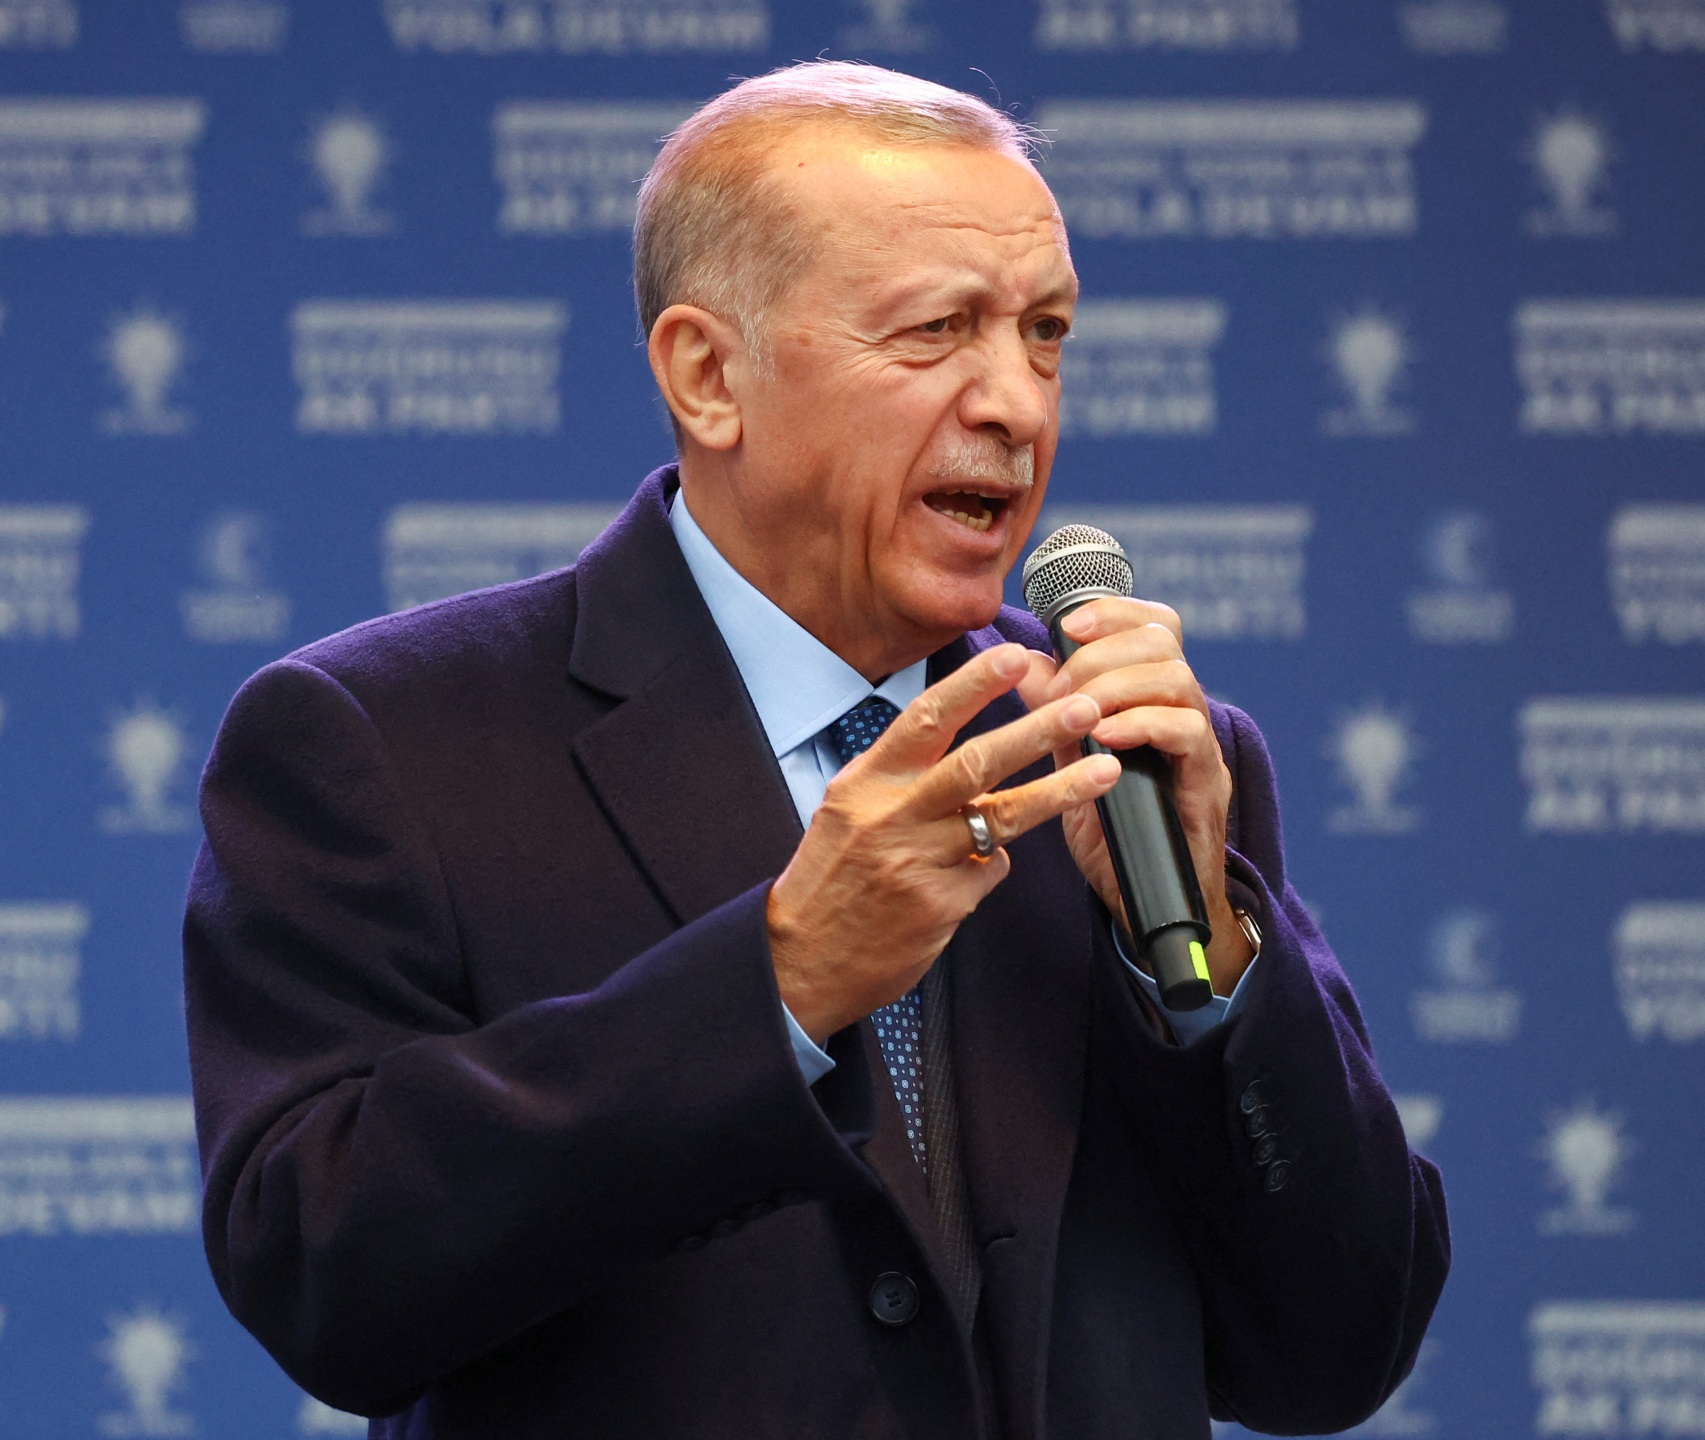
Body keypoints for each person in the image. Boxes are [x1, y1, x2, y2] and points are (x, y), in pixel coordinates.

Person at [184, 62, 1447, 1438]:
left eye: (1044, 333)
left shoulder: (1138, 759)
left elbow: (1340, 1348)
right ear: (708, 375)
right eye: (936, 331)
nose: (1017, 405)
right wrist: (779, 986)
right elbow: (324, 1272)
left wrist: (1207, 965)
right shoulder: (387, 741)